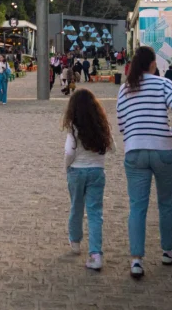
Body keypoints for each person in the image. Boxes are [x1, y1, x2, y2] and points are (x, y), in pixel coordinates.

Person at [117, 46, 172, 279]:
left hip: (135, 151)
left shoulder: (125, 89)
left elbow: (121, 123)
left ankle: (136, 261)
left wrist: (134, 136)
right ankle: (167, 251)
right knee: (166, 203)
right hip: (164, 149)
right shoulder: (163, 84)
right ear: (152, 64)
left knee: (137, 206)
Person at [62, 88, 112, 271]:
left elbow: (69, 152)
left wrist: (66, 166)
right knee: (95, 212)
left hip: (76, 171)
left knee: (76, 206)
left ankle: (75, 242)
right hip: (97, 171)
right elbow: (112, 147)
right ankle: (95, 253)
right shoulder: (101, 126)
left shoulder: (73, 128)